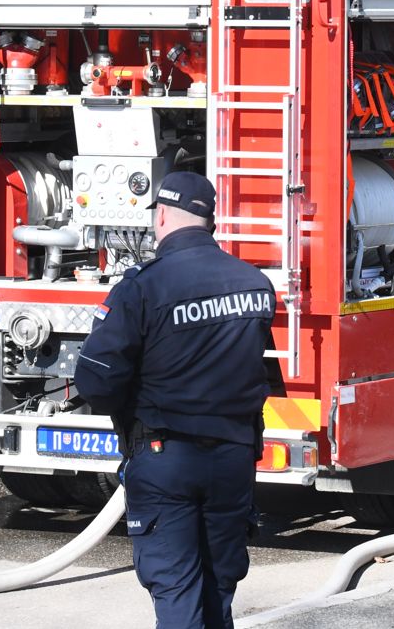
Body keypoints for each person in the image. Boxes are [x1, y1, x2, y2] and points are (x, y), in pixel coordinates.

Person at [75, 171, 282, 629]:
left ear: (162, 215)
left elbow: (95, 381)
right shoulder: (254, 284)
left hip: (165, 456)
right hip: (233, 456)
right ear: (209, 220)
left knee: (177, 591)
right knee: (218, 588)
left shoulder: (142, 287)